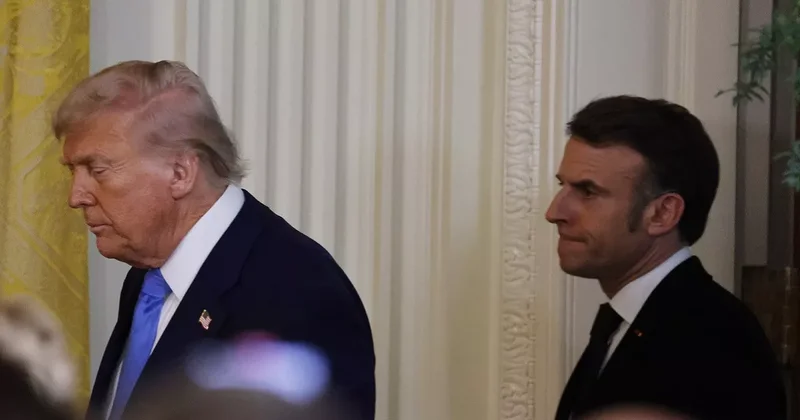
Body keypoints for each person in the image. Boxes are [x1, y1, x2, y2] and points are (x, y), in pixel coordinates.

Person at [54, 60, 375, 420]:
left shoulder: (299, 294)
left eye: (97, 170)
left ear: (180, 173)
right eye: (73, 172)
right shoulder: (149, 273)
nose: (75, 196)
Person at [548, 95, 785, 420]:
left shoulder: (713, 339)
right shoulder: (643, 320)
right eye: (562, 186)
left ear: (663, 213)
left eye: (588, 191)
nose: (554, 212)